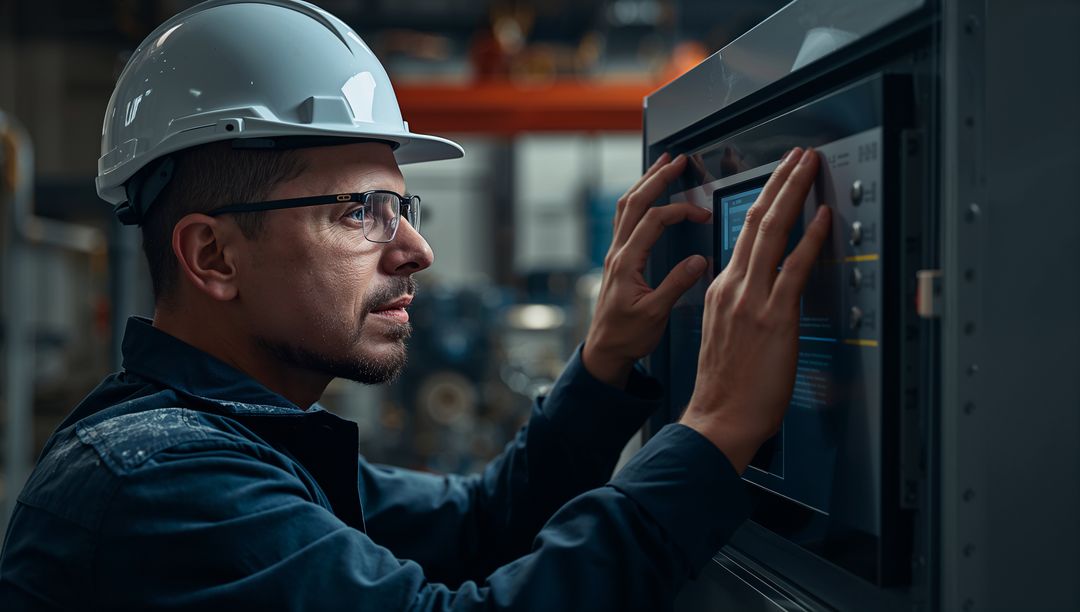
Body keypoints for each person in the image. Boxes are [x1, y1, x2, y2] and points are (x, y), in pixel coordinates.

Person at [0, 1, 831, 610]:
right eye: (358, 212)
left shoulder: (246, 445)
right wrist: (715, 428)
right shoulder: (162, 487)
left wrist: (604, 364)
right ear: (214, 256)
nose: (415, 251)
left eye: (402, 207)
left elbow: (480, 526)